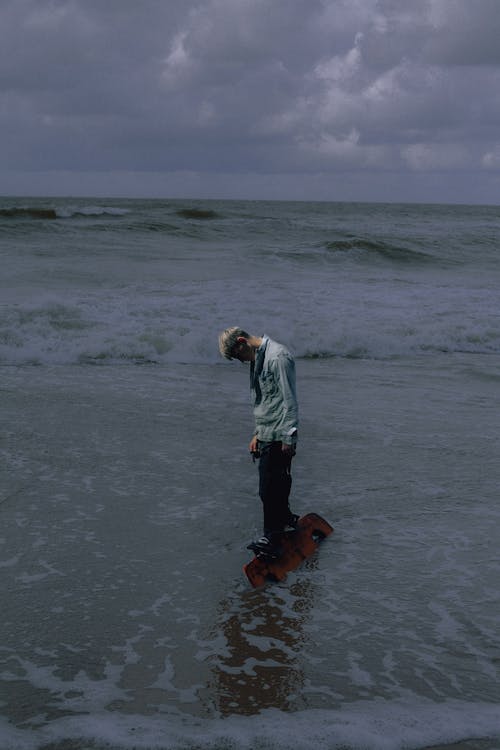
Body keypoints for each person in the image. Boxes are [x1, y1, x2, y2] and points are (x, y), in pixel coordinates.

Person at [218, 327, 299, 557]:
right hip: (265, 433)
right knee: (274, 486)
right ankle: (285, 521)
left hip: (280, 434)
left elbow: (288, 399)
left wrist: (288, 436)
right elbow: (265, 401)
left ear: (242, 342)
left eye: (238, 356)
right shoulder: (258, 359)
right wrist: (256, 433)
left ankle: (271, 538)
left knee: (269, 487)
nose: (241, 361)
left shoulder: (278, 357)